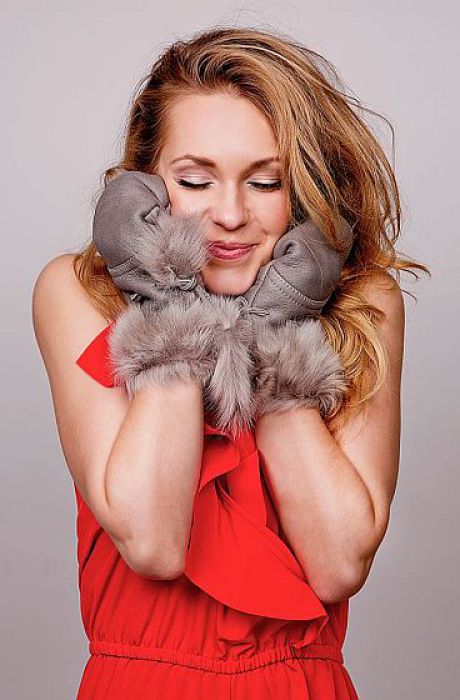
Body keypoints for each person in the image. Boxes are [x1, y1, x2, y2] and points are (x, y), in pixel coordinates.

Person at [32, 26, 429, 699]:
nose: (230, 213)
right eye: (195, 180)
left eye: (266, 182)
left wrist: (275, 330)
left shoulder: (365, 303)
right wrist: (171, 302)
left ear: (303, 189)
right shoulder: (76, 292)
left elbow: (337, 563)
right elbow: (153, 543)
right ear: (145, 185)